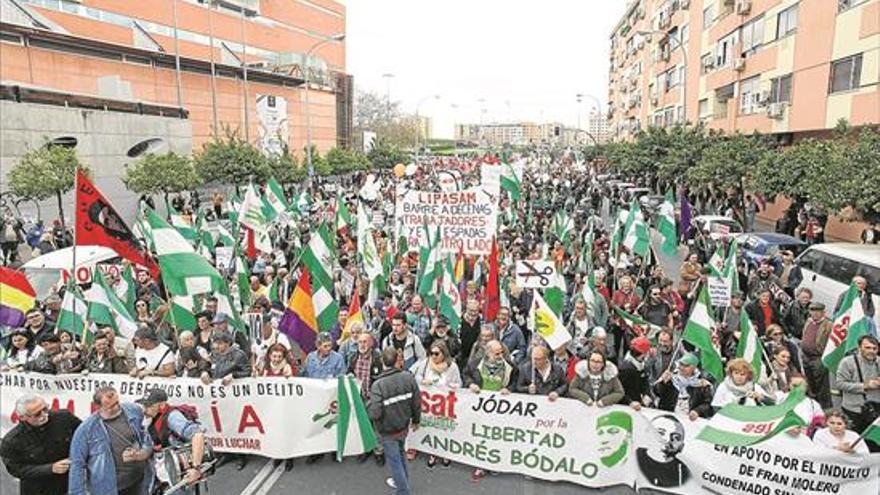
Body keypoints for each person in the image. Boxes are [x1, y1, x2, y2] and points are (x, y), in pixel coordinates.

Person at [69, 386, 154, 495]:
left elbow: (145, 438)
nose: (117, 407)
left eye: (117, 402)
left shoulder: (133, 410)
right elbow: (77, 464)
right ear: (98, 407)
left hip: (140, 481)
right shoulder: (85, 430)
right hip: (110, 489)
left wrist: (141, 453)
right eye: (111, 406)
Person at [0, 394, 81, 495]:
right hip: (38, 488)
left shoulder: (64, 418)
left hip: (71, 484)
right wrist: (50, 468)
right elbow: (16, 469)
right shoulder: (12, 441)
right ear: (22, 417)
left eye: (45, 409)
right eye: (37, 414)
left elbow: (85, 436)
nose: (44, 415)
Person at [368, 347, 421, 495]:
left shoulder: (378, 385)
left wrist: (368, 409)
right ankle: (404, 483)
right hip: (404, 426)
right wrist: (416, 420)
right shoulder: (408, 377)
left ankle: (403, 491)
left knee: (395, 462)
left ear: (382, 361)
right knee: (401, 454)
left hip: (387, 430)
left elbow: (375, 413)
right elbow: (416, 402)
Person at [409, 341, 461, 469]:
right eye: (431, 353)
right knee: (432, 428)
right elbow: (417, 376)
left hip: (445, 404)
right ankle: (433, 452)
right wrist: (422, 381)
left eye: (436, 353)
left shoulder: (452, 366)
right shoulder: (426, 363)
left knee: (445, 428)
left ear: (444, 354)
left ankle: (445, 452)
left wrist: (452, 387)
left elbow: (459, 383)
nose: (433, 356)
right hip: (430, 404)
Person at [835, 335, 880, 451]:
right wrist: (864, 386)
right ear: (859, 348)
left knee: (874, 445)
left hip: (875, 411)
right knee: (853, 446)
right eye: (868, 348)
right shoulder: (847, 362)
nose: (871, 351)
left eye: (874, 348)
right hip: (853, 411)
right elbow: (839, 384)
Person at [653, 353, 714, 420]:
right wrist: (662, 382)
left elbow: (708, 404)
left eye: (686, 366)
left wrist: (697, 411)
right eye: (681, 364)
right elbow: (657, 392)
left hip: (689, 421)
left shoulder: (702, 384)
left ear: (693, 367)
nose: (682, 368)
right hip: (668, 417)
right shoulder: (671, 378)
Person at [636, 414, 690, 488]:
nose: (667, 440)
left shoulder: (684, 473)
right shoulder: (633, 458)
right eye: (660, 433)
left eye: (676, 437)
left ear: (682, 445)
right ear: (647, 433)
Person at [801, 302, 833, 409]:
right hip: (806, 357)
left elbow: (831, 343)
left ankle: (825, 408)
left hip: (818, 358)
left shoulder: (828, 325)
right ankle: (813, 406)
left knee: (822, 385)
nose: (814, 314)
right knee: (810, 383)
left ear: (823, 312)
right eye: (812, 311)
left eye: (817, 311)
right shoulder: (809, 322)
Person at [619, 337, 653, 408]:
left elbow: (644, 381)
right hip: (626, 406)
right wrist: (630, 402)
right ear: (643, 354)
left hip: (638, 403)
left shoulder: (641, 365)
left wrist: (646, 394)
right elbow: (619, 390)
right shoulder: (626, 369)